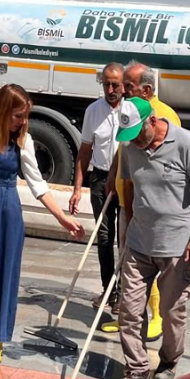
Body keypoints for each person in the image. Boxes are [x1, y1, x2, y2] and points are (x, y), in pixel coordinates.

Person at [0, 84, 85, 365]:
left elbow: (38, 185)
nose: (22, 122)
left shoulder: (24, 141)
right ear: (2, 111)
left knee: (1, 271)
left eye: (25, 116)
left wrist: (61, 217)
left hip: (6, 209)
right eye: (18, 116)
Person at [110, 97, 190, 379]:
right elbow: (129, 189)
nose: (134, 142)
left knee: (172, 313)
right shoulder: (129, 147)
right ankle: (137, 370)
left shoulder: (185, 143)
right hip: (138, 244)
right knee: (129, 311)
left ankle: (169, 362)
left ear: (152, 121)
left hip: (177, 247)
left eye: (137, 135)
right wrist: (127, 230)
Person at [101, 61, 181, 339]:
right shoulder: (129, 109)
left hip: (149, 205)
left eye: (129, 86)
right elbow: (123, 145)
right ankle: (129, 317)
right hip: (127, 197)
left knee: (150, 263)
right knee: (128, 262)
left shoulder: (164, 114)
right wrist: (114, 172)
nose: (122, 90)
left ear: (147, 89)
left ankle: (157, 317)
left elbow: (169, 162)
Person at [69, 63, 126, 310]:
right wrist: (76, 189)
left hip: (126, 183)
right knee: (103, 237)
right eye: (106, 84)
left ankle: (125, 293)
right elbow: (84, 152)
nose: (111, 89)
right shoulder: (93, 111)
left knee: (125, 238)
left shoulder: (132, 110)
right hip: (100, 179)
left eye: (115, 84)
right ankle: (109, 290)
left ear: (124, 85)